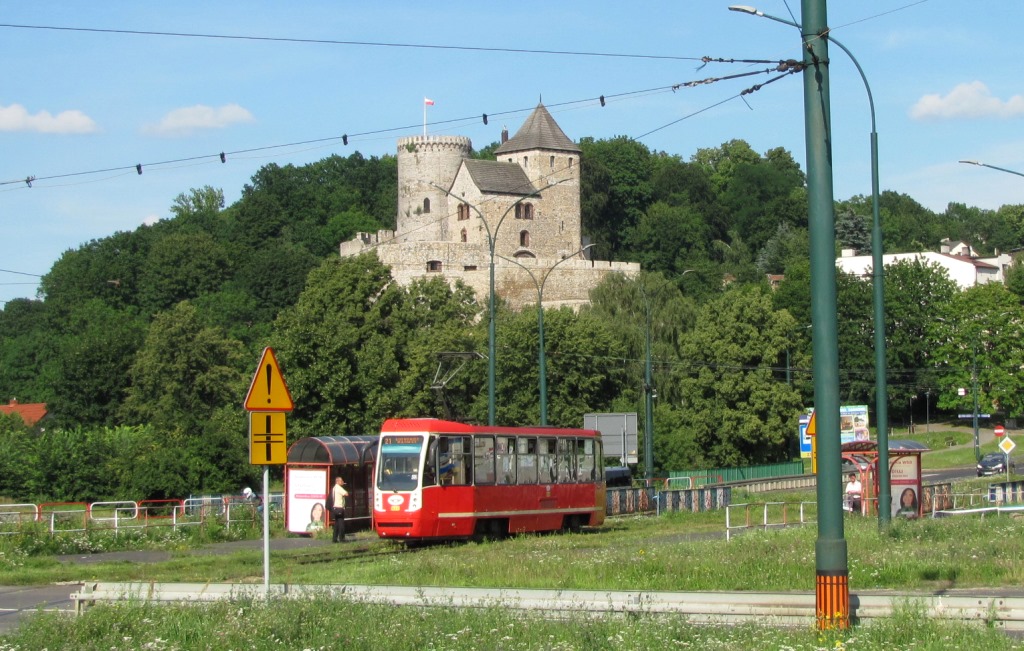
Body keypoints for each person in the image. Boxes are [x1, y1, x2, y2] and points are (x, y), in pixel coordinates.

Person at [326, 476, 349, 543]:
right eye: (341, 481)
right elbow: (346, 494)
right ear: (338, 481)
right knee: (341, 524)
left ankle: (334, 539)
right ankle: (342, 539)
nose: (343, 482)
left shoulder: (334, 488)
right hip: (339, 508)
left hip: (335, 508)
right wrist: (344, 486)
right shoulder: (339, 488)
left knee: (336, 524)